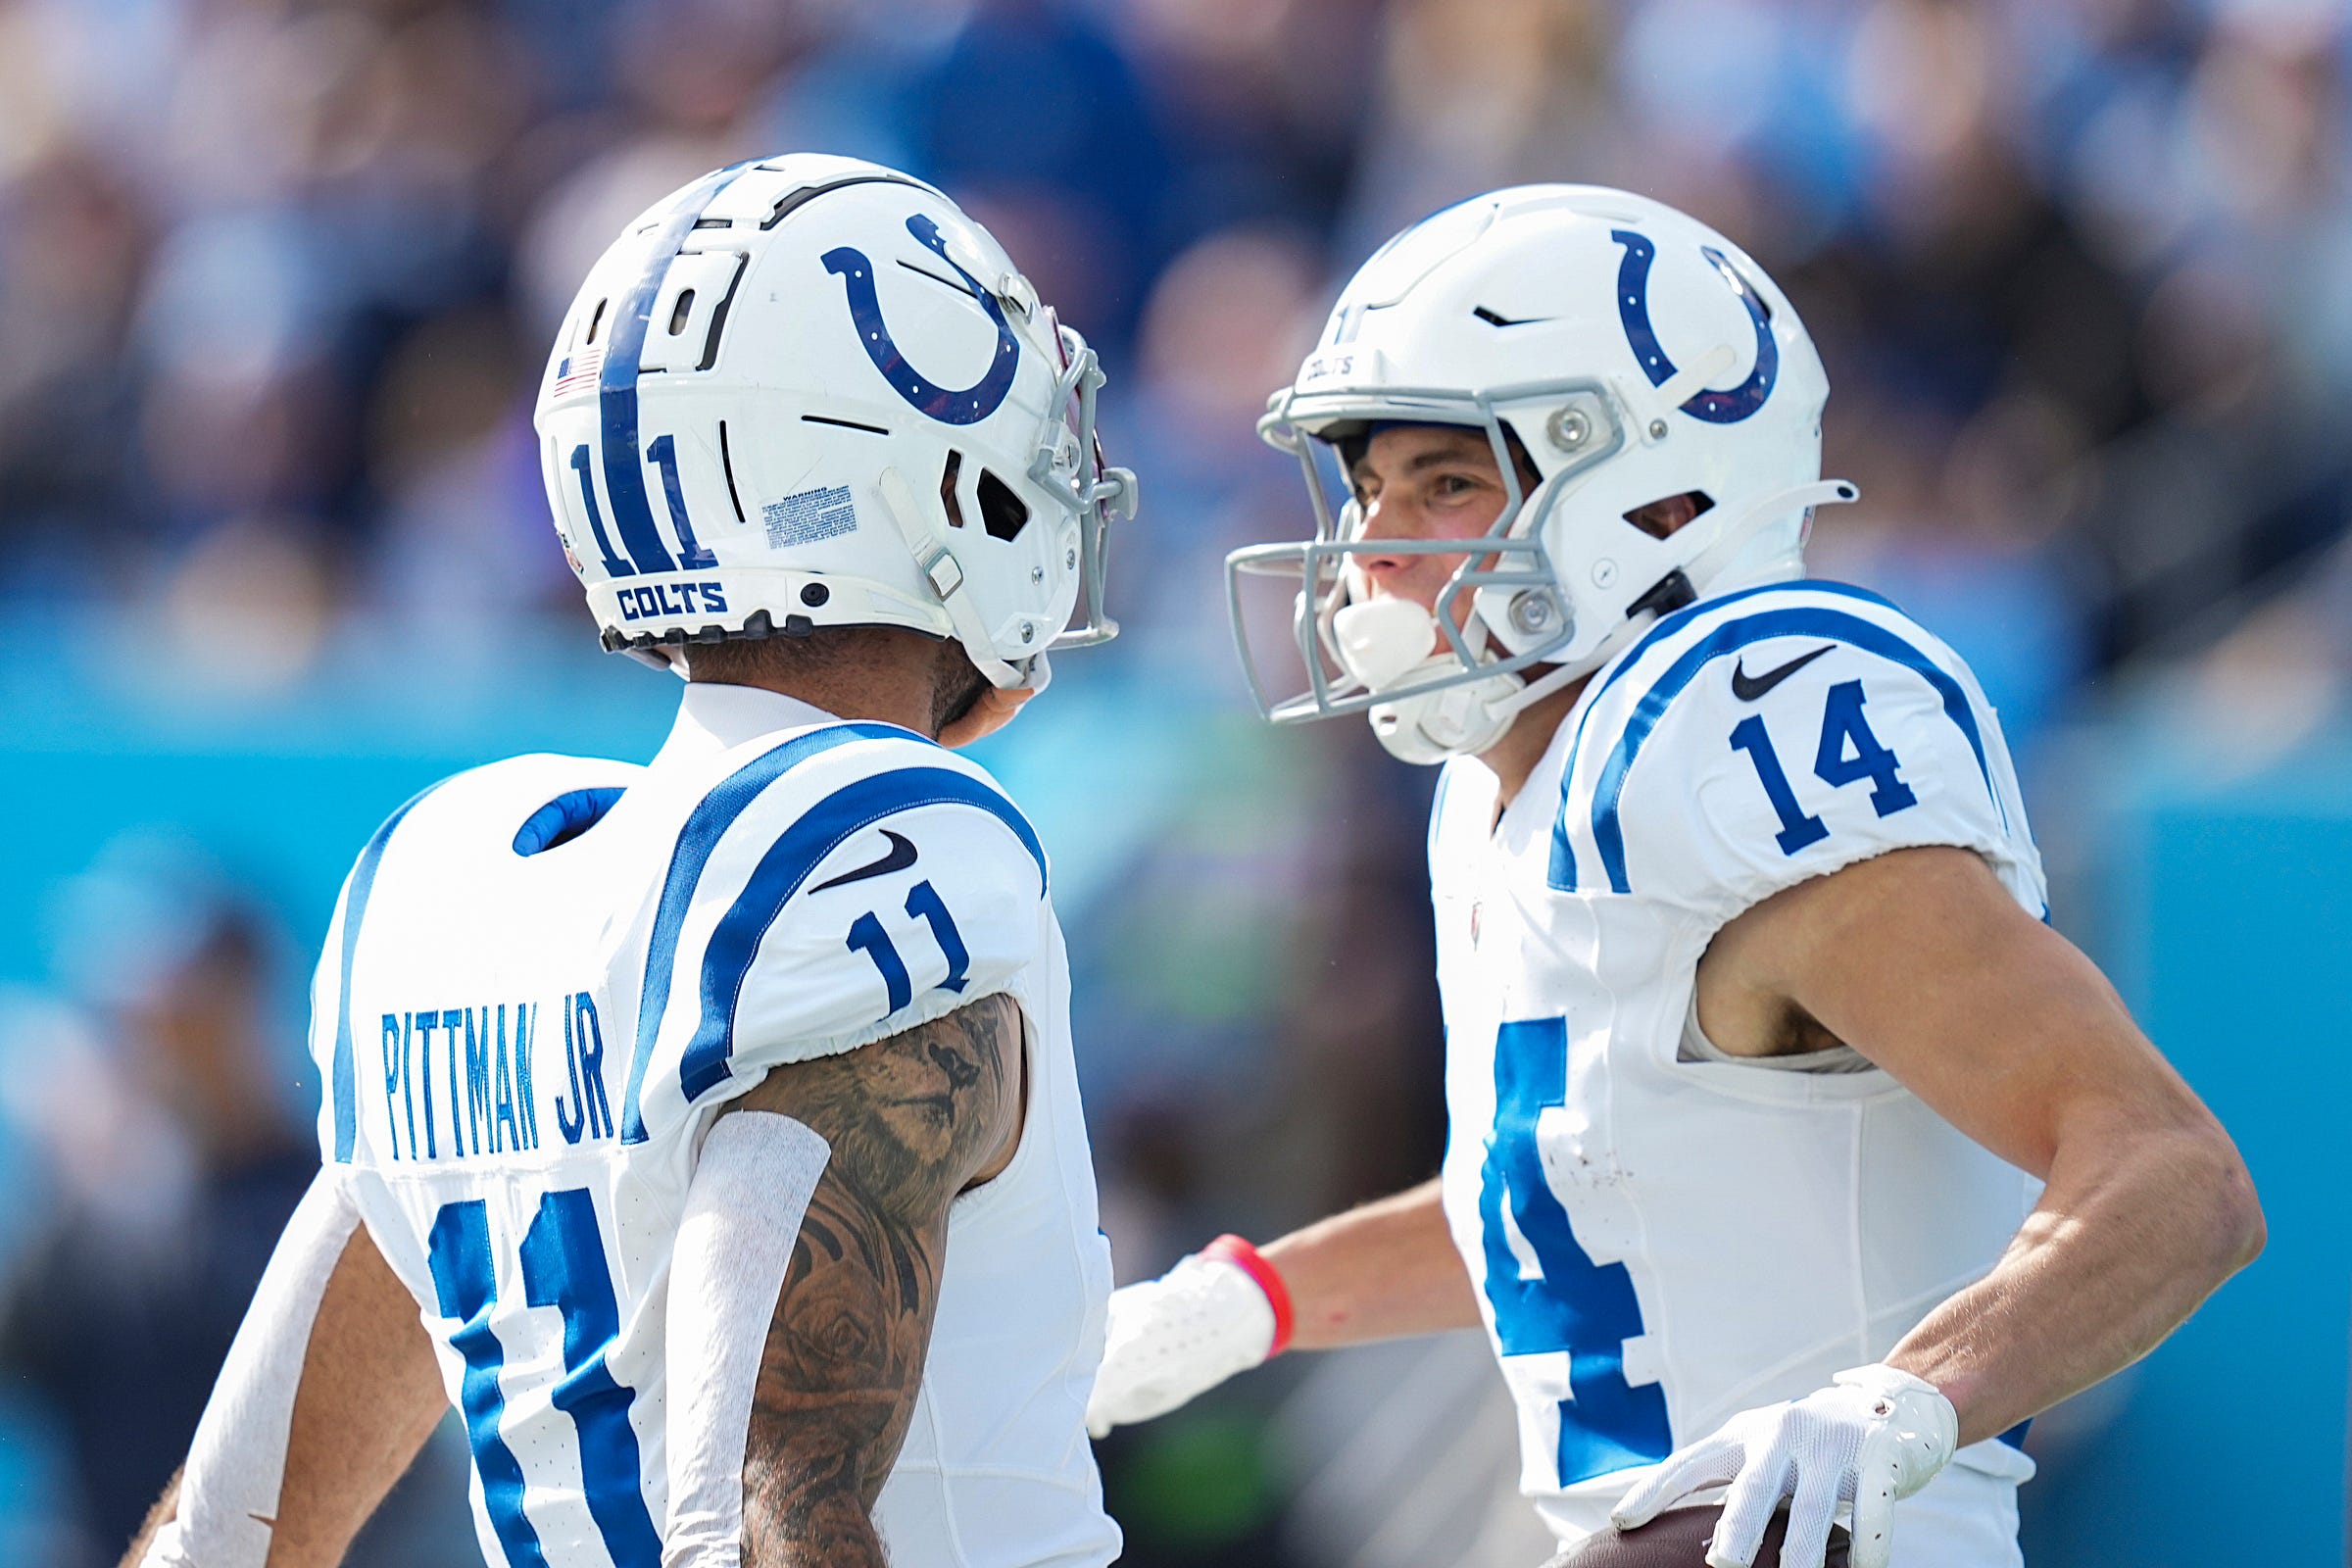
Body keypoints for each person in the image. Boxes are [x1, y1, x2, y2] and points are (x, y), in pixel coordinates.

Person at [1086, 185, 2262, 1568]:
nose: (1375, 547)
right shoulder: (1501, 789)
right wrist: (1246, 1303)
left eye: (1448, 481)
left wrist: (1899, 1411)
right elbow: (1567, 1206)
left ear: (1661, 497)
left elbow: (2175, 1176)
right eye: (1367, 487)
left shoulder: (1738, 733)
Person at [122, 153, 1136, 1568]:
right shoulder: (883, 853)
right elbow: (768, 1522)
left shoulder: (457, 886)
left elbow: (224, 1543)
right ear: (920, 480)